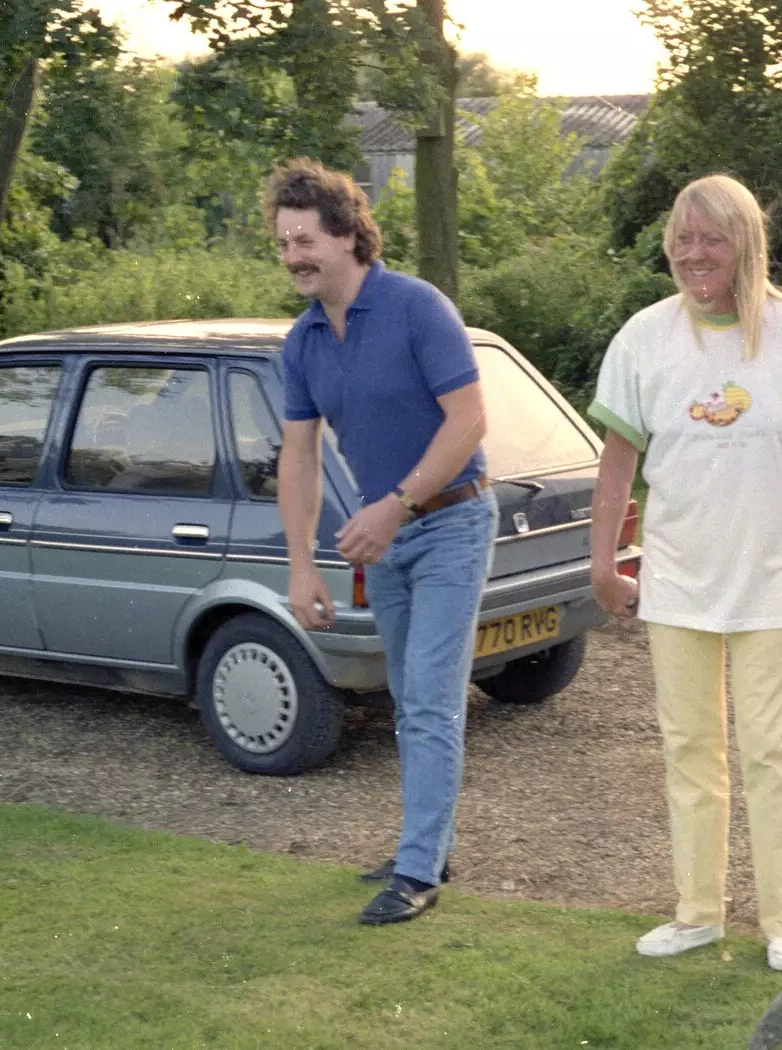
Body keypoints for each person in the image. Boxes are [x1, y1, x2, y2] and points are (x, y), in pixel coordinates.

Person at [587, 174, 782, 973]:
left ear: (747, 244)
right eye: (682, 238)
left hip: (772, 582)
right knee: (689, 749)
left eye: (711, 237)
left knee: (773, 751)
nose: (693, 252)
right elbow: (617, 465)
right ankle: (698, 913)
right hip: (675, 581)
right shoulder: (644, 337)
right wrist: (604, 562)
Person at [268, 158, 498, 926]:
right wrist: (302, 568)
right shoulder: (302, 342)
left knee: (430, 700)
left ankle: (417, 870)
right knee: (409, 698)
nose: (294, 256)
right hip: (386, 539)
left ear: (347, 235)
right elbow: (297, 456)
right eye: (283, 244)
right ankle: (426, 844)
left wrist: (396, 505)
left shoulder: (415, 308)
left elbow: (468, 421)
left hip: (454, 522)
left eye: (305, 240)